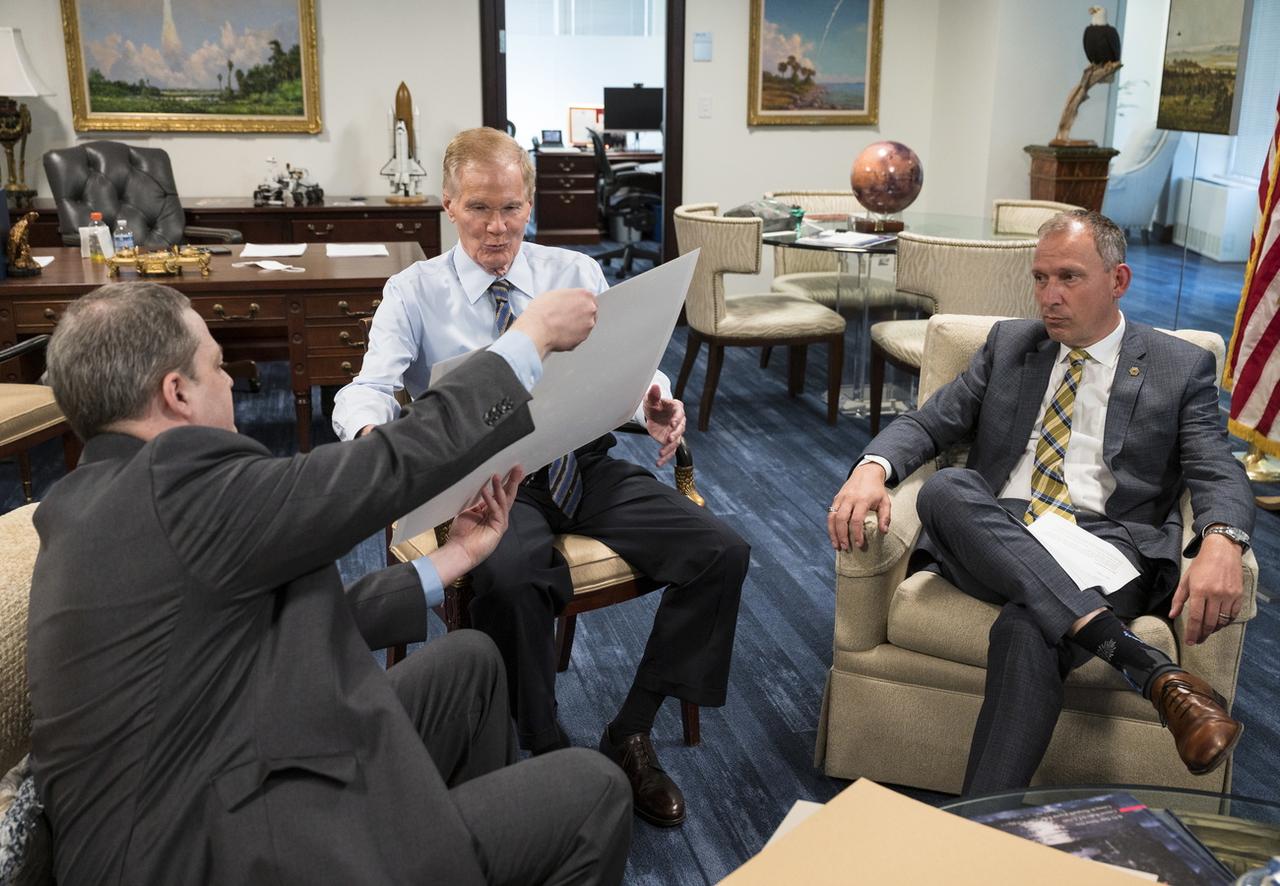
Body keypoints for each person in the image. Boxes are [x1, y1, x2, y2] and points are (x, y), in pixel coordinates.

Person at [27, 280, 634, 885]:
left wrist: (447, 562)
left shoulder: (91, 500)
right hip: (203, 852)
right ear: (177, 393)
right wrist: (528, 341)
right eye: (217, 365)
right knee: (596, 791)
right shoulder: (173, 482)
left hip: (221, 764)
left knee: (469, 664)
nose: (231, 382)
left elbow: (249, 618)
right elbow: (381, 468)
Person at [332, 127, 749, 827]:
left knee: (721, 552)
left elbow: (628, 359)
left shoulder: (574, 273)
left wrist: (653, 398)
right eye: (478, 209)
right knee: (507, 577)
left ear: (531, 204)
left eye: (512, 209)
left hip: (579, 463)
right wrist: (373, 438)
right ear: (447, 204)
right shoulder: (414, 292)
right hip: (484, 483)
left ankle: (631, 731)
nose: (497, 228)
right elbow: (368, 386)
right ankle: (547, 744)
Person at [827, 210, 1254, 794]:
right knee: (948, 489)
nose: (1049, 297)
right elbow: (930, 424)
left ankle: (979, 826)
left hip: (1108, 547)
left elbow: (1215, 466)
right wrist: (872, 469)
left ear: (1118, 280)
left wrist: (1224, 539)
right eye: (1040, 278)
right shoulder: (1010, 345)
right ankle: (1149, 669)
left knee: (1029, 629)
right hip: (997, 532)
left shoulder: (1179, 366)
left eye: (1069, 278)